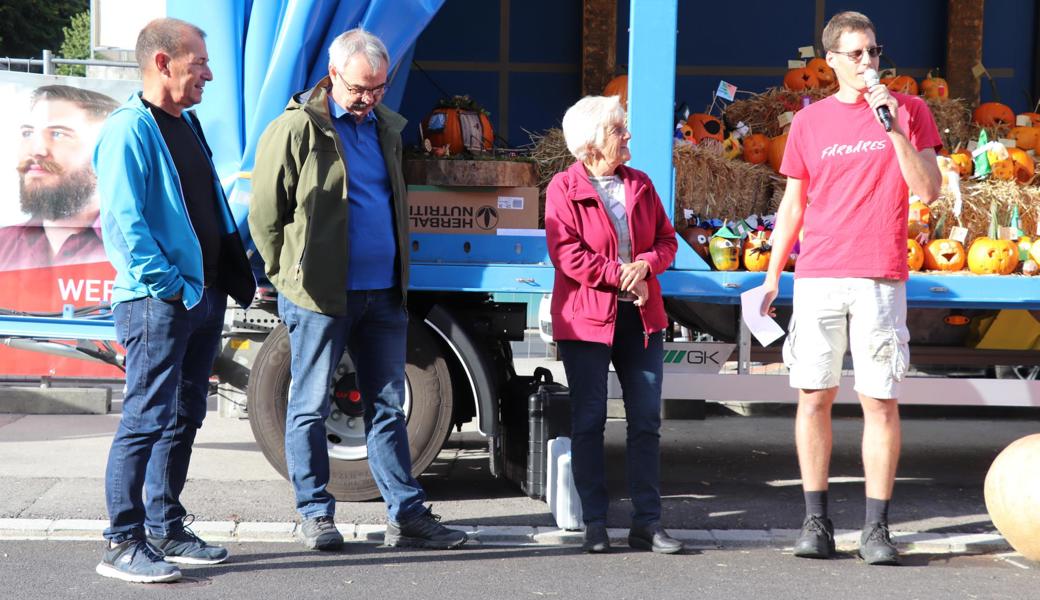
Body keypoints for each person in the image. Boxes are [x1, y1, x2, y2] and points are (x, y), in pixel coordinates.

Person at [250, 27, 467, 552]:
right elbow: (264, 216)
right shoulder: (295, 129)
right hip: (321, 298)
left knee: (388, 407)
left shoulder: (386, 129)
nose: (368, 100)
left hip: (385, 293)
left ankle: (406, 515)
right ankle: (315, 514)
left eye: (379, 88)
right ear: (333, 76)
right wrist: (289, 276)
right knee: (309, 406)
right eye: (359, 90)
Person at [759, 11, 941, 566]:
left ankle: (877, 529)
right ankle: (816, 521)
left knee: (879, 401)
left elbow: (928, 190)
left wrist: (893, 129)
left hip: (880, 276)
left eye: (874, 52)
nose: (868, 63)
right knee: (814, 396)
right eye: (856, 54)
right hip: (818, 275)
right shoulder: (809, 124)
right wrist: (772, 274)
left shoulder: (910, 111)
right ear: (831, 61)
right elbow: (793, 202)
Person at [93, 18, 256, 583]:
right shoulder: (128, 129)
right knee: (145, 417)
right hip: (158, 301)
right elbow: (124, 222)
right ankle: (121, 540)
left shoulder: (186, 123)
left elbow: (204, 208)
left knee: (183, 416)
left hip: (200, 297)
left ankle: (164, 527)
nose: (209, 73)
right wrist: (169, 286)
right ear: (162, 62)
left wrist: (225, 278)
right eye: (199, 62)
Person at [545, 95, 681, 554]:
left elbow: (667, 240)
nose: (627, 136)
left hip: (641, 317)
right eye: (618, 129)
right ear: (590, 144)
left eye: (623, 128)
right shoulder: (563, 189)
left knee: (645, 420)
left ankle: (647, 522)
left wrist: (643, 264)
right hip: (586, 320)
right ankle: (596, 522)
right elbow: (567, 254)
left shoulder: (639, 183)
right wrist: (618, 275)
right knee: (589, 419)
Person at [0, 85, 118, 270]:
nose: (36, 150)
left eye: (58, 134)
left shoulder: (131, 247)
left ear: (103, 149)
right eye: (28, 133)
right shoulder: (4, 244)